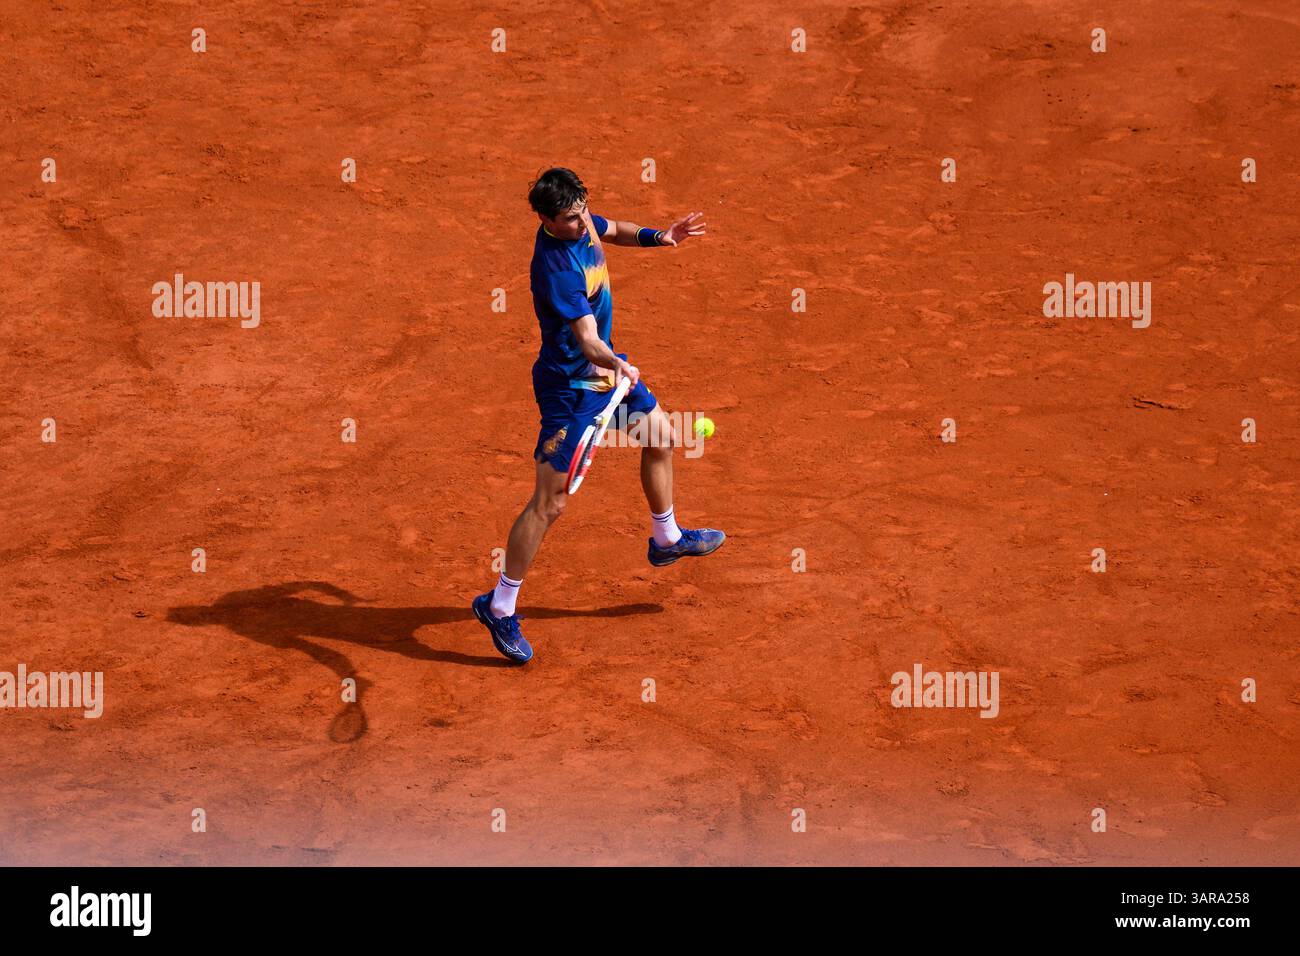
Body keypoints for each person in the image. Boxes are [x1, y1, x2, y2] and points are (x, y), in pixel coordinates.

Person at [472, 167, 725, 663]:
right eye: (569, 218)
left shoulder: (581, 218)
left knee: (660, 435)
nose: (581, 221)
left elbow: (616, 229)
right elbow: (587, 339)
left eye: (583, 208)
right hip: (570, 389)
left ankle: (666, 537)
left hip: (607, 374)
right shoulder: (556, 266)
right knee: (550, 504)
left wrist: (661, 236)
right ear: (546, 220)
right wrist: (616, 362)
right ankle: (499, 606)